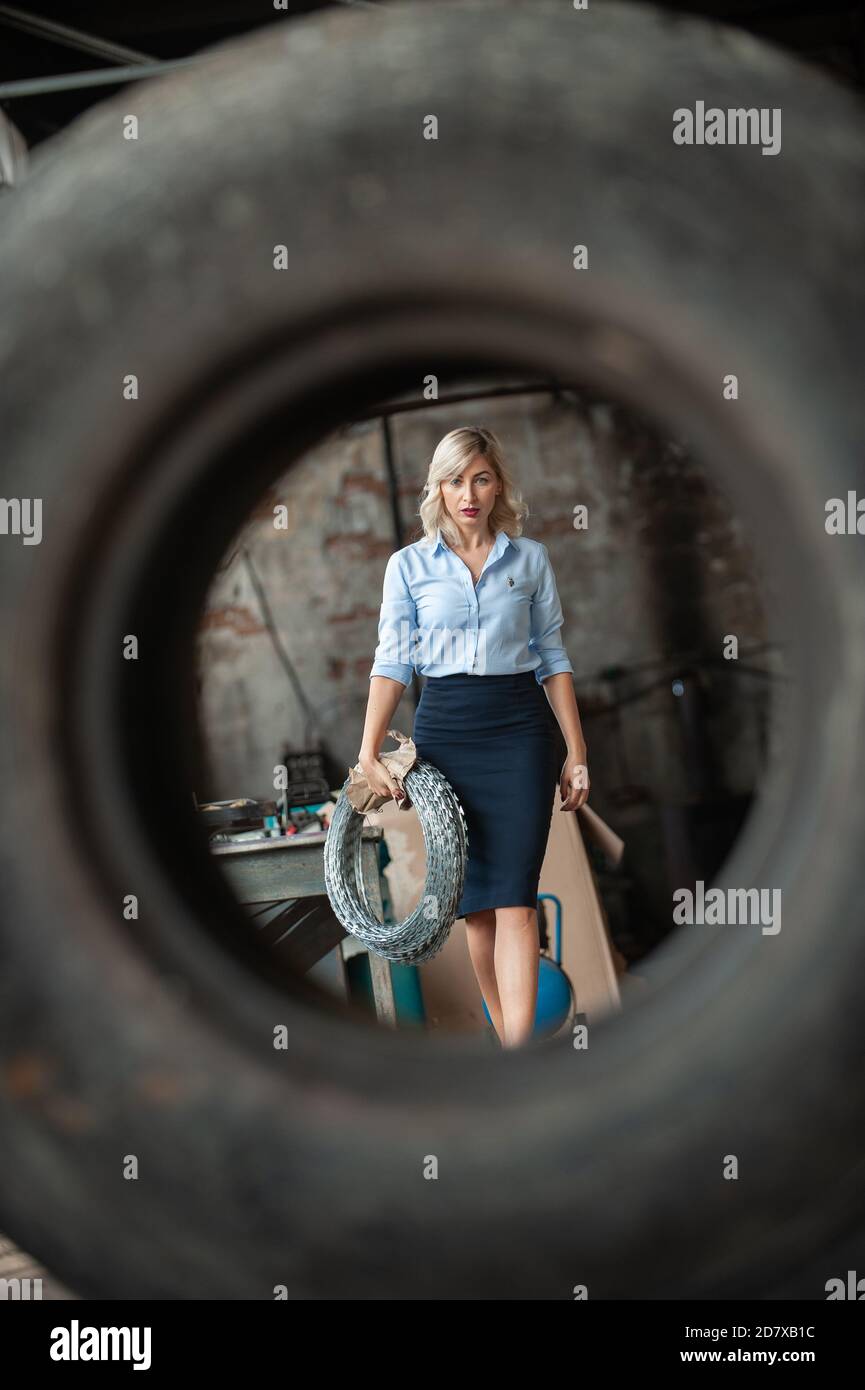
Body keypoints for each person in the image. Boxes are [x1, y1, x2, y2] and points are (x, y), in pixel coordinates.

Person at [359, 426, 589, 1048]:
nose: (469, 494)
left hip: (520, 731)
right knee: (475, 905)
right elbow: (392, 664)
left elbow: (553, 658)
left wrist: (577, 751)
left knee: (515, 897)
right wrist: (367, 752)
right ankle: (506, 1043)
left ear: (497, 485)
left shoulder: (530, 558)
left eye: (481, 479)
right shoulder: (406, 567)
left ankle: (519, 1055)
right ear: (438, 487)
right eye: (456, 480)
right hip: (447, 730)